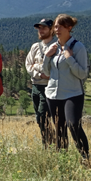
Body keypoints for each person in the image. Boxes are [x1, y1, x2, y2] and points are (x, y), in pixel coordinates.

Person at [43, 14, 89, 159]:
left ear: (69, 28)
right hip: (53, 94)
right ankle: (62, 160)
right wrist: (47, 56)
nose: (57, 29)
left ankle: (85, 157)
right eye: (55, 26)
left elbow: (82, 74)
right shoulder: (53, 47)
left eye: (60, 26)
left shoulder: (78, 47)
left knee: (73, 125)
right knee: (59, 128)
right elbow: (45, 72)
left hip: (72, 94)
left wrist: (69, 58)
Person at [25, 19, 57, 147]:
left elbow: (53, 68)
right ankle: (50, 142)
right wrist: (40, 73)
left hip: (49, 87)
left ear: (51, 29)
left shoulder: (56, 46)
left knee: (42, 117)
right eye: (39, 28)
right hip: (35, 86)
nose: (40, 30)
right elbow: (28, 65)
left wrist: (37, 66)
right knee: (39, 117)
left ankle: (49, 144)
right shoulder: (35, 47)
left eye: (43, 28)